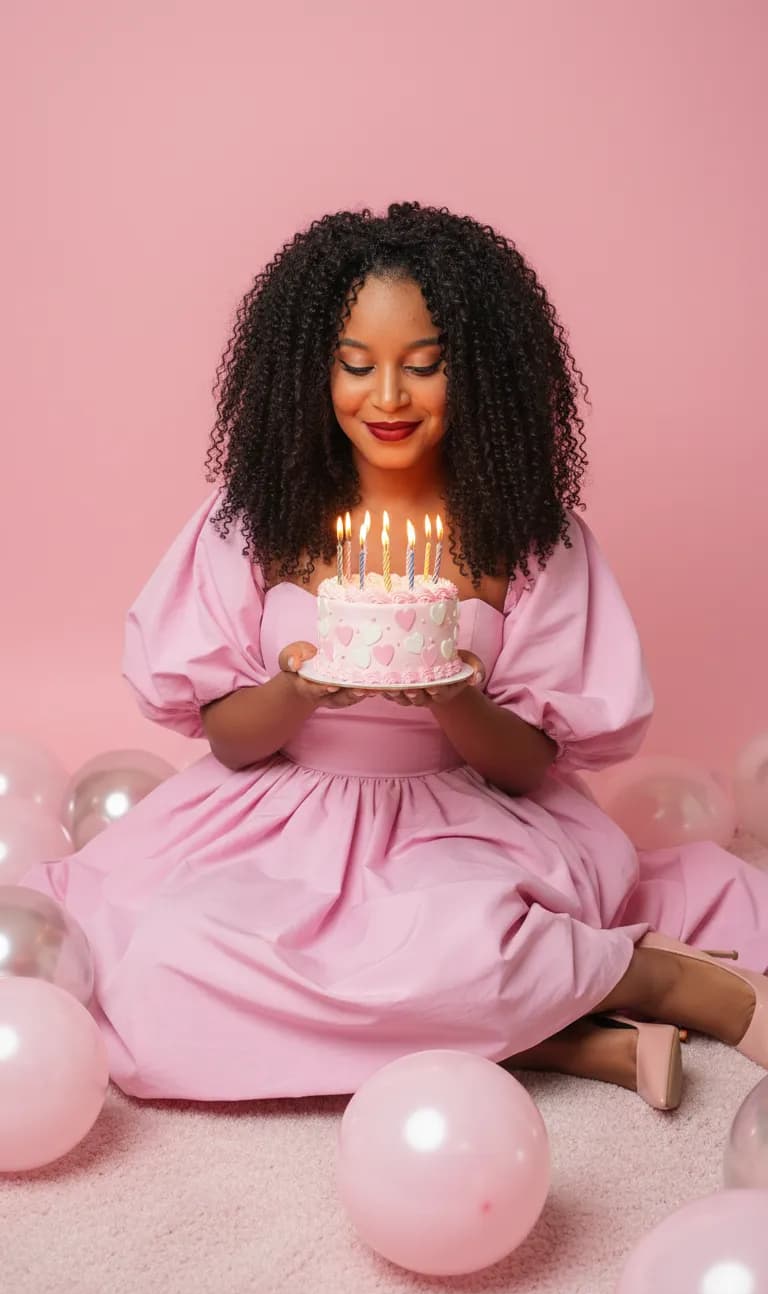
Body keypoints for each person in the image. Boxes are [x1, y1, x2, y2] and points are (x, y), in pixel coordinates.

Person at [20, 202, 768, 1109]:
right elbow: (230, 743)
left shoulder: (529, 536)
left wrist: (455, 697)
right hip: (275, 822)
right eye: (355, 365)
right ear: (309, 369)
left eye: (423, 366)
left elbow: (530, 767)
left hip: (457, 823)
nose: (387, 398)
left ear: (480, 372)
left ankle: (655, 981)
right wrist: (295, 691)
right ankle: (576, 1037)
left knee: (470, 943)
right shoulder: (251, 519)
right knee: (173, 962)